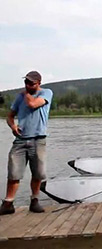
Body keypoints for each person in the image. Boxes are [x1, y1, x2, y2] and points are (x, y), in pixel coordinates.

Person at [0, 71, 53, 215]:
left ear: (39, 83)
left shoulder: (46, 93)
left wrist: (25, 93)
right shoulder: (19, 97)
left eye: (31, 83)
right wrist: (13, 126)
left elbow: (32, 104)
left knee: (38, 173)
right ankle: (8, 203)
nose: (28, 86)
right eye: (26, 83)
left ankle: (34, 201)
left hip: (38, 139)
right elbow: (10, 116)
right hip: (20, 140)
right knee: (13, 173)